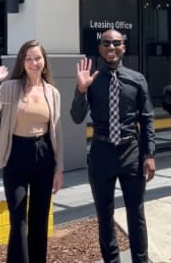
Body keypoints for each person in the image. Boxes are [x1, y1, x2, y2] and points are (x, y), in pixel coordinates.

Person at [70, 29, 156, 263]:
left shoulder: (137, 79)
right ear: (100, 48)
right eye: (106, 43)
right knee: (104, 215)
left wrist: (149, 154)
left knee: (136, 213)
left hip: (131, 153)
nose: (111, 47)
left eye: (116, 43)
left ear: (123, 47)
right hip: (101, 153)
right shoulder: (91, 79)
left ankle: (141, 259)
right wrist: (81, 90)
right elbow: (76, 117)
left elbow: (147, 118)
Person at [0, 39, 63, 263]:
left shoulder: (52, 93)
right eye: (28, 58)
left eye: (38, 58)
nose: (34, 62)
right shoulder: (10, 88)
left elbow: (56, 133)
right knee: (18, 219)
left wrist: (59, 168)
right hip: (16, 155)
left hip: (44, 156)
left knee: (39, 218)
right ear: (22, 62)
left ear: (44, 61)